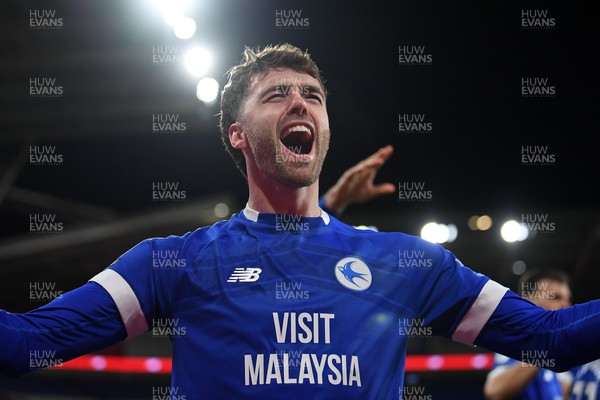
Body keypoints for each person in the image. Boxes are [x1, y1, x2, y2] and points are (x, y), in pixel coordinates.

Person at [2, 43, 600, 400]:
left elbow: (551, 339)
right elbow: (32, 341)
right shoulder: (174, 261)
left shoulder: (403, 261)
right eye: (277, 93)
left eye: (313, 95)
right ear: (237, 135)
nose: (300, 102)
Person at [483, 269, 574, 400]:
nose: (566, 305)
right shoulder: (516, 341)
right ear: (529, 301)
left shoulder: (561, 348)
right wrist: (546, 347)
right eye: (555, 297)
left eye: (568, 299)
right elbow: (495, 391)